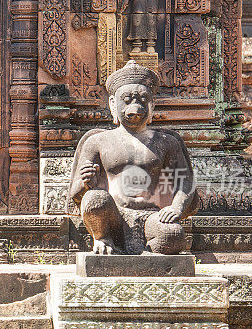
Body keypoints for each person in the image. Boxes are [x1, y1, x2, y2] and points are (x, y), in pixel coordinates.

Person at [69, 60, 197, 254]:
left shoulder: (166, 142)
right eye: (127, 100)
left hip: (151, 216)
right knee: (95, 199)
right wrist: (86, 183)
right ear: (113, 104)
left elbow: (185, 183)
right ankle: (103, 239)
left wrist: (177, 209)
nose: (135, 107)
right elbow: (75, 195)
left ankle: (143, 254)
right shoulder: (98, 141)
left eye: (142, 100)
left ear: (152, 105)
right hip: (113, 215)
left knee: (174, 235)